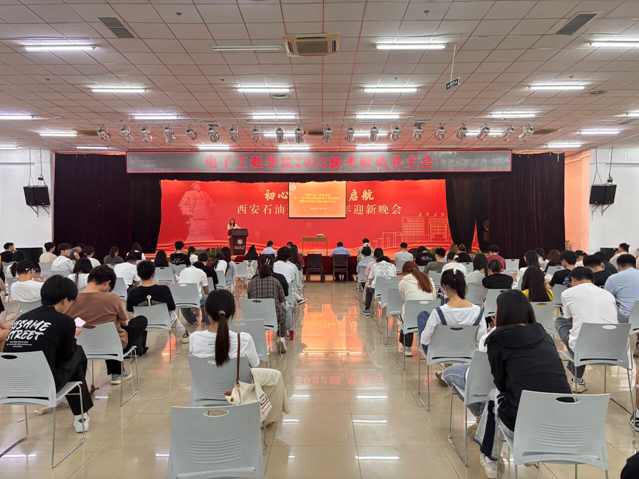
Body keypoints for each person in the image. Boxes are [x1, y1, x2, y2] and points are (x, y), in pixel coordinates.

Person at [477, 290, 571, 478]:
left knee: (493, 397)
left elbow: (500, 384)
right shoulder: (544, 335)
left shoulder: (496, 340)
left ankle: (490, 457)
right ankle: (517, 451)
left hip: (524, 424)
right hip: (565, 424)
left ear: (501, 312)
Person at [3, 275, 93, 433]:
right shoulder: (64, 321)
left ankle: (74, 402)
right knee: (78, 352)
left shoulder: (21, 319)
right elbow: (67, 356)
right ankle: (80, 415)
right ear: (65, 300)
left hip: (9, 386)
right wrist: (73, 338)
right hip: (43, 385)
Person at [189, 289, 289, 424]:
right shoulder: (243, 339)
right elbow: (255, 364)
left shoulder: (194, 338)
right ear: (233, 313)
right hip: (236, 388)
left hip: (205, 390)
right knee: (275, 376)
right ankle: (266, 419)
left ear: (206, 312)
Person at [66, 266, 148, 384]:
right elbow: (125, 322)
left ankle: (117, 371)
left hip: (82, 345)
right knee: (139, 321)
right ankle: (117, 373)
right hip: (113, 345)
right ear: (107, 283)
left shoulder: (72, 300)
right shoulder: (112, 298)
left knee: (110, 328)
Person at [555, 267, 618, 393]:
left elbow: (568, 318)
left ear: (572, 279)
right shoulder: (608, 294)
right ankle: (577, 379)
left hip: (584, 349)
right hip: (613, 350)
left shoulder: (567, 293)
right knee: (582, 333)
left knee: (560, 321)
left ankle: (577, 379)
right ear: (592, 280)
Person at [419, 270, 487, 385]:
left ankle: (447, 372)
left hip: (440, 352)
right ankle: (447, 373)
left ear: (444, 287)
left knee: (422, 316)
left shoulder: (438, 312)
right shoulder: (477, 311)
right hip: (467, 352)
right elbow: (481, 340)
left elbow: (424, 340)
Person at [127, 261, 188, 343]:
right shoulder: (164, 289)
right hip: (163, 320)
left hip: (141, 322)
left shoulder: (132, 292)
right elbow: (172, 307)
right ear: (154, 274)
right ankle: (184, 334)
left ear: (138, 274)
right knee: (172, 315)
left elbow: (130, 309)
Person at [398, 261, 437, 357]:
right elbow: (434, 297)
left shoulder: (403, 281)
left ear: (404, 272)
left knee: (406, 311)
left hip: (410, 317)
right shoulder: (429, 280)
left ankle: (407, 347)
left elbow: (404, 297)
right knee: (410, 311)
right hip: (428, 316)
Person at [248, 264, 288, 353]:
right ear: (271, 272)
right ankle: (281, 337)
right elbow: (282, 302)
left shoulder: (251, 283)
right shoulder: (276, 282)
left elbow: (250, 301)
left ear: (259, 272)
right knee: (283, 313)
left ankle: (257, 340)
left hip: (256, 317)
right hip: (274, 317)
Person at [604, 253, 639, 323]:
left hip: (626, 318)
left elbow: (606, 298)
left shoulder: (613, 278)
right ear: (635, 266)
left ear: (618, 267)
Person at [178, 261, 210, 325]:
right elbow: (206, 290)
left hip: (180, 299)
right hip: (195, 298)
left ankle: (193, 321)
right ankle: (206, 320)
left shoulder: (183, 271)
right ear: (201, 268)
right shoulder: (202, 272)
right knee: (207, 299)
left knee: (184, 303)